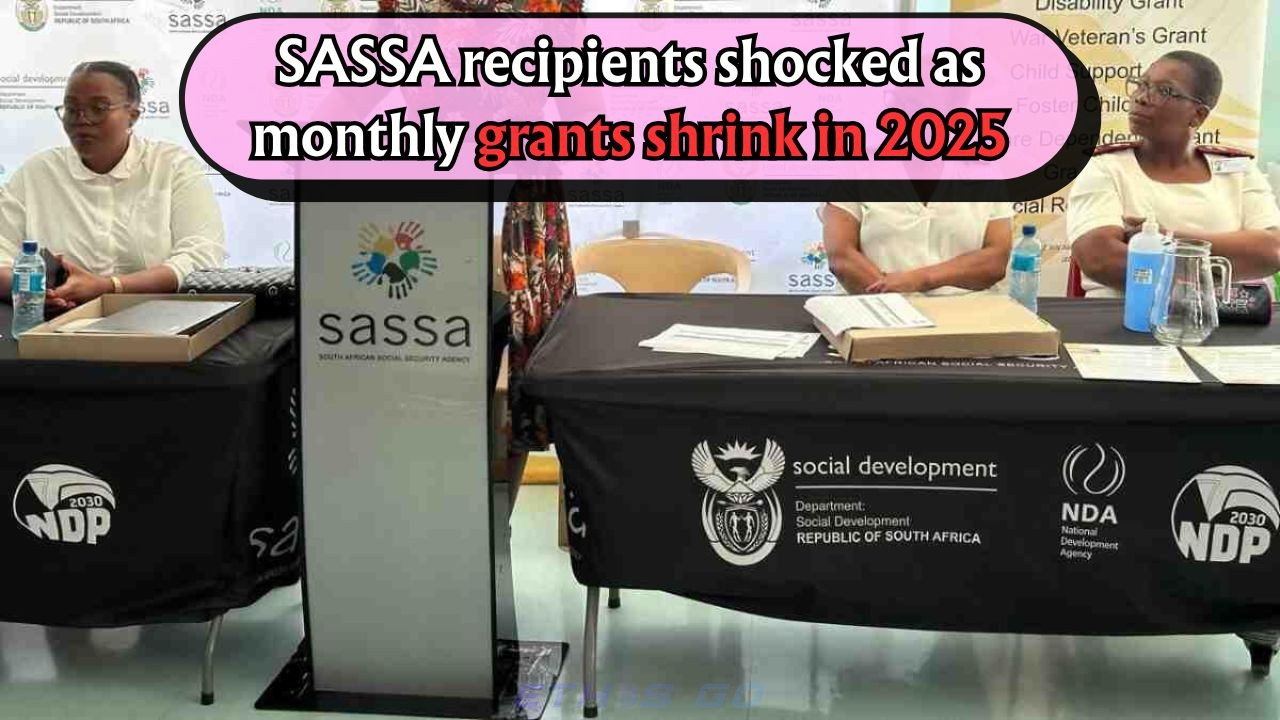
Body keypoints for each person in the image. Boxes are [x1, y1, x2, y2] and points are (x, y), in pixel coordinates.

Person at [0, 61, 226, 312]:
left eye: (98, 108)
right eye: (72, 109)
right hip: (58, 321)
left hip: (161, 319)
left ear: (133, 115)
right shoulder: (37, 173)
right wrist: (34, 290)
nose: (82, 120)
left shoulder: (173, 167)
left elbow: (201, 256)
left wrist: (110, 286)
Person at [1069, 51, 1280, 297]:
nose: (1141, 98)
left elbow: (1273, 251)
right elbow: (1101, 259)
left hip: (1227, 317)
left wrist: (1163, 239)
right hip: (1121, 315)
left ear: (1198, 115)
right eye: (1142, 84)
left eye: (1165, 91)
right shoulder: (1105, 167)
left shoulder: (1238, 170)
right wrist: (1219, 268)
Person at [819, 201, 1015, 295]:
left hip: (970, 314)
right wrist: (893, 303)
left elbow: (995, 260)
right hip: (875, 311)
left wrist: (920, 280)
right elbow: (842, 257)